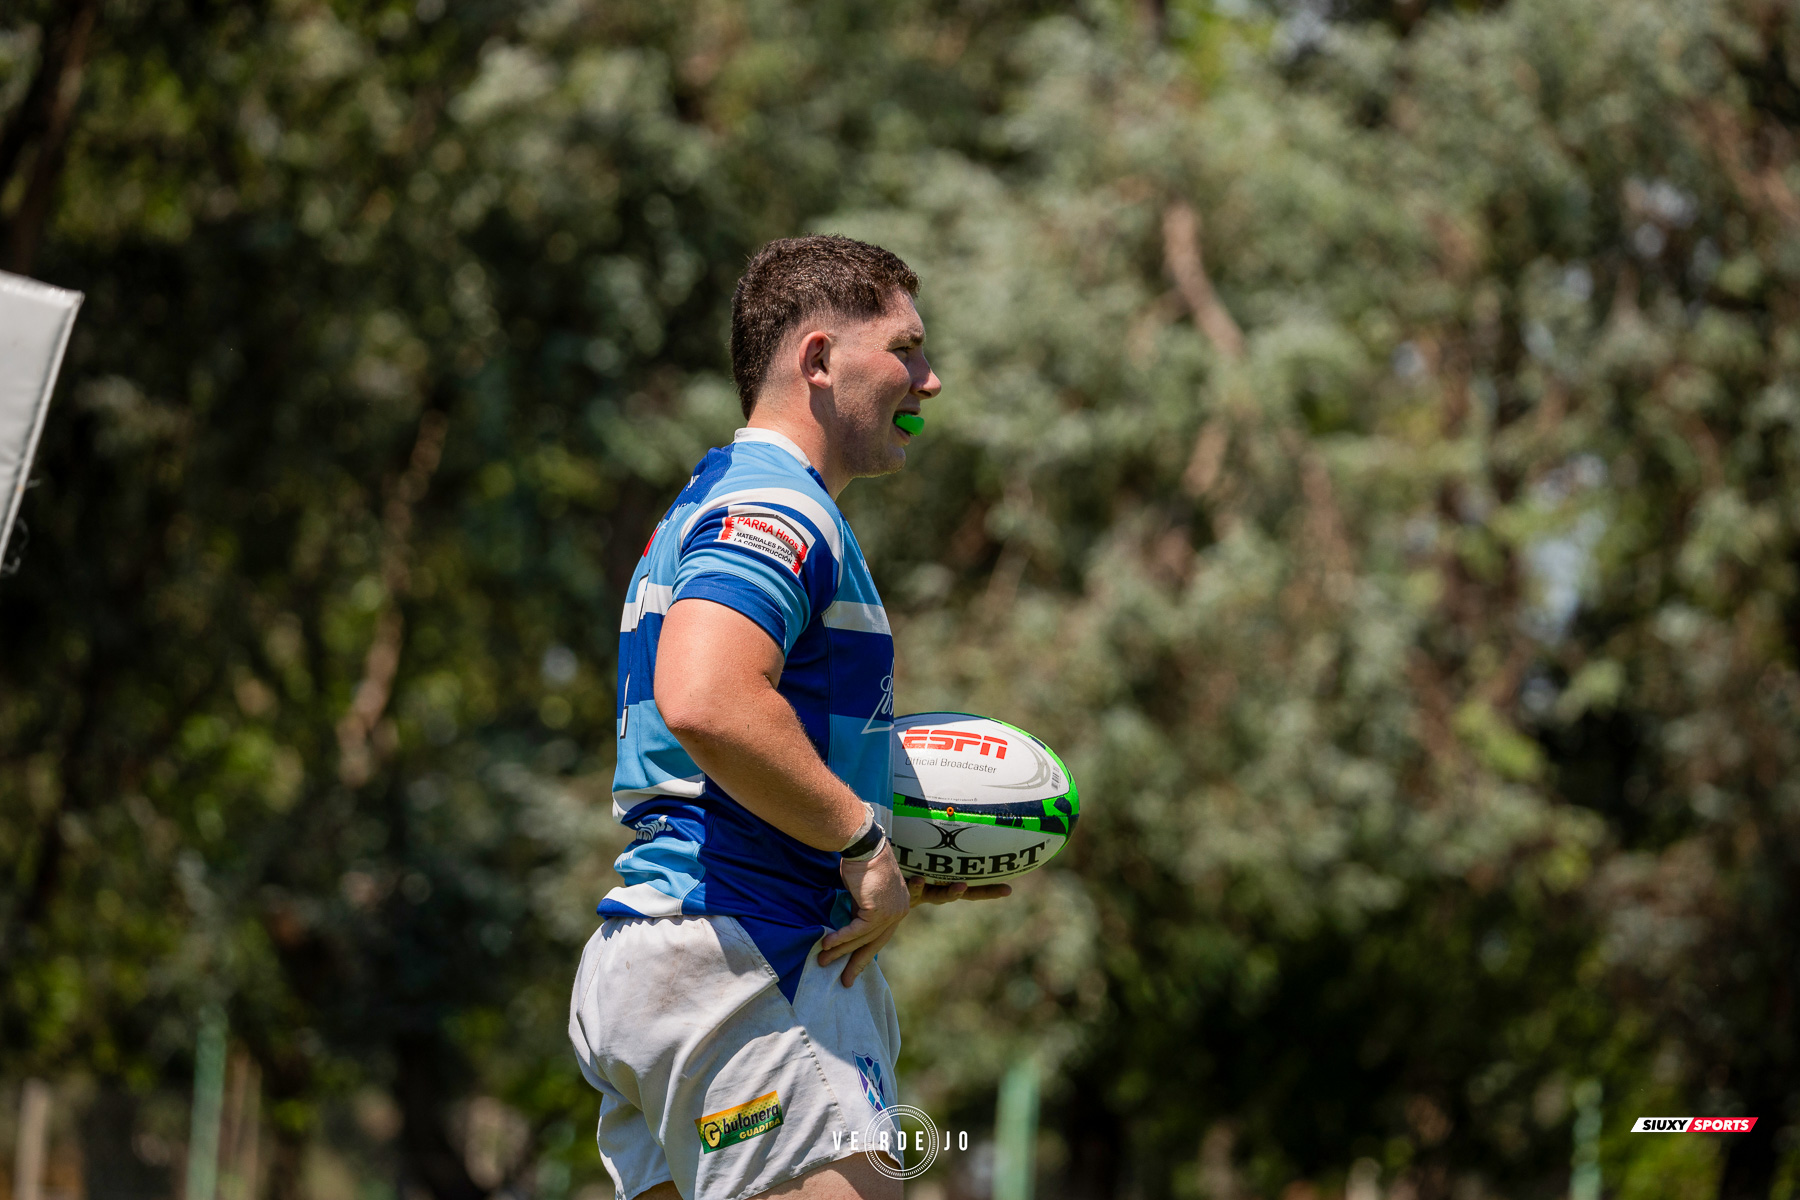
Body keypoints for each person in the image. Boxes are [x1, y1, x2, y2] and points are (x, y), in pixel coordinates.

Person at [569, 236, 1012, 1200]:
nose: (930, 381)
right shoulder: (778, 507)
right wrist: (859, 844)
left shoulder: (702, 504)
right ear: (817, 360)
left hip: (662, 953)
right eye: (906, 349)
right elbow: (708, 698)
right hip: (746, 956)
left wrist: (896, 853)